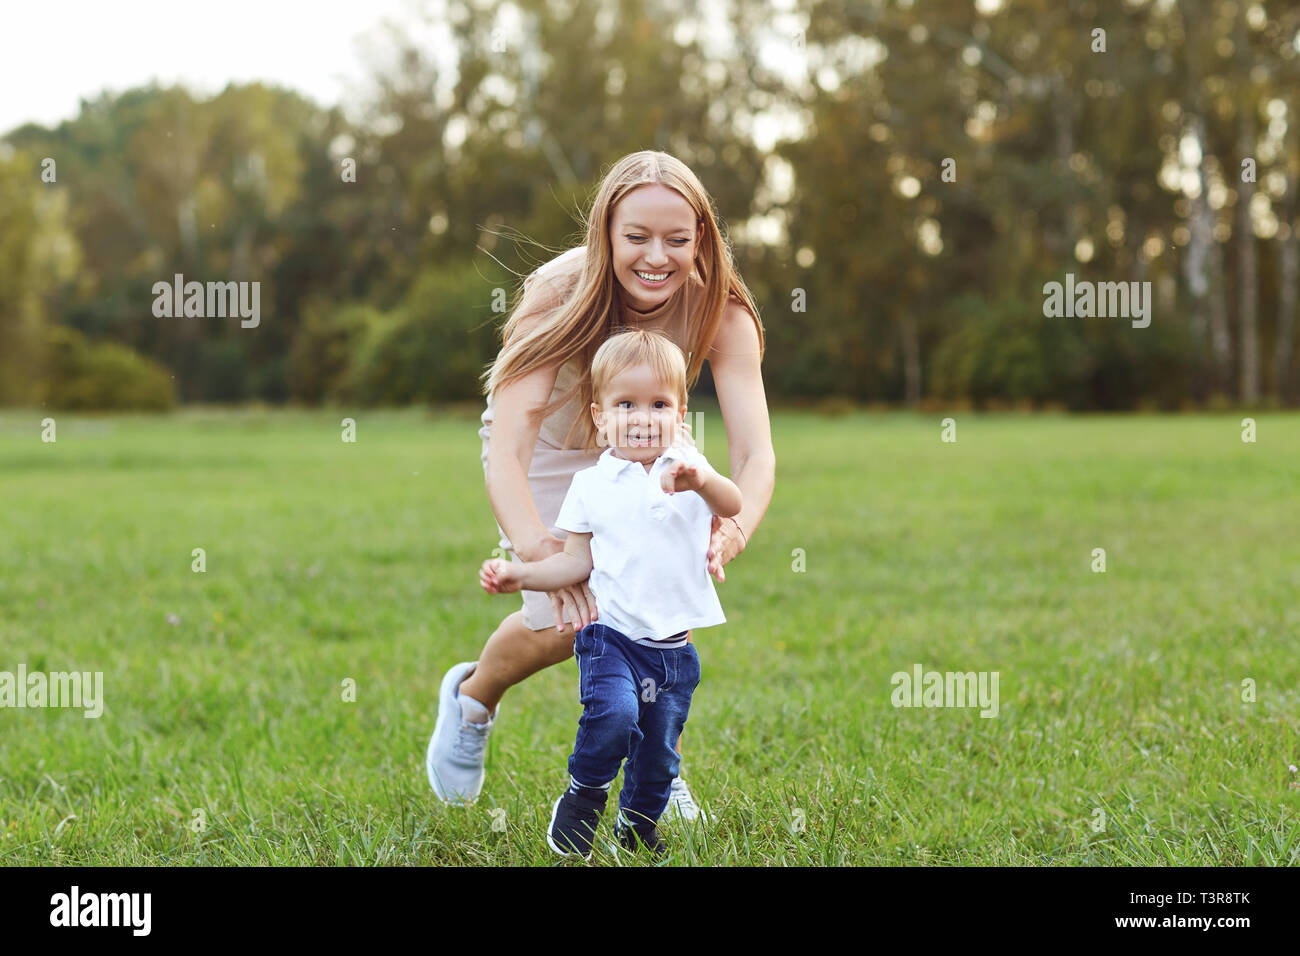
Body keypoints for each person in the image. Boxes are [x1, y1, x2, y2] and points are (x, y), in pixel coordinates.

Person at [426, 150, 775, 819]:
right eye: (636, 237)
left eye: (677, 239)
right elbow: (509, 445)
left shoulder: (722, 308)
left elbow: (756, 451)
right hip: (552, 446)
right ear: (606, 234)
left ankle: (657, 768)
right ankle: (473, 697)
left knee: (654, 592)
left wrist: (732, 528)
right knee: (568, 617)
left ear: (701, 238)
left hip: (656, 439)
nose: (656, 256)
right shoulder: (559, 293)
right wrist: (542, 554)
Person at [479, 329, 742, 858]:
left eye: (658, 404)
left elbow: (732, 504)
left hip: (674, 650)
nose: (643, 417)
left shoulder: (691, 472)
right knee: (614, 717)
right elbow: (575, 562)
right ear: (601, 417)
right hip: (611, 640)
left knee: (661, 755)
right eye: (626, 404)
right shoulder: (591, 486)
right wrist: (520, 576)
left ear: (681, 415)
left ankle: (638, 825)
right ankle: (585, 794)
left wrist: (702, 481)